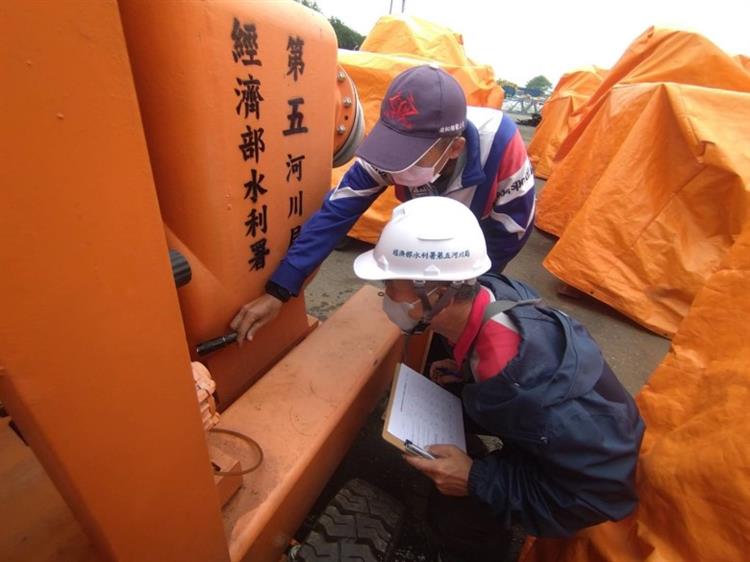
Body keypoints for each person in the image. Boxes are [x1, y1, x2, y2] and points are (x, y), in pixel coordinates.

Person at [353, 196, 645, 561]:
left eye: (391, 284)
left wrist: (475, 479)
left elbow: (601, 494)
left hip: (588, 476)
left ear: (437, 292)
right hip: (553, 439)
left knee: (457, 517)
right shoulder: (490, 296)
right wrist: (465, 374)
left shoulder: (530, 381)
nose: (386, 294)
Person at [231, 64, 535, 343]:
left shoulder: (502, 146)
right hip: (428, 224)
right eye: (394, 149)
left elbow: (510, 232)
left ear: (455, 148)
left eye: (411, 156)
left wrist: (457, 300)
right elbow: (334, 214)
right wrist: (280, 289)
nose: (395, 166)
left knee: (460, 319)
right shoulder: (387, 154)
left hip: (482, 234)